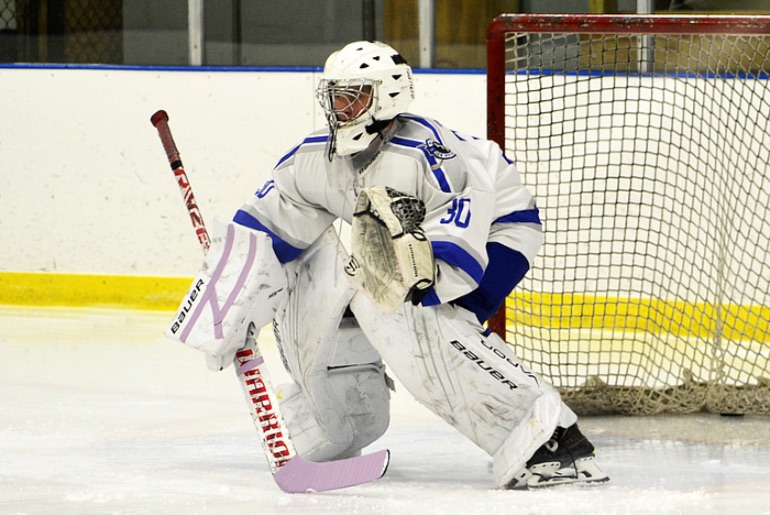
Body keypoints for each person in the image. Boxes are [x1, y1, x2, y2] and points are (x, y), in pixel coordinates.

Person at [169, 40, 609, 489]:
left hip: (499, 231)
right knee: (308, 278)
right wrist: (226, 311)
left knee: (418, 319)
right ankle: (339, 425)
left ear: (385, 99)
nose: (338, 105)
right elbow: (260, 237)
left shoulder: (429, 155)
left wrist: (418, 279)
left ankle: (552, 441)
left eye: (352, 94)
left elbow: (460, 237)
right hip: (404, 245)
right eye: (333, 94)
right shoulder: (311, 159)